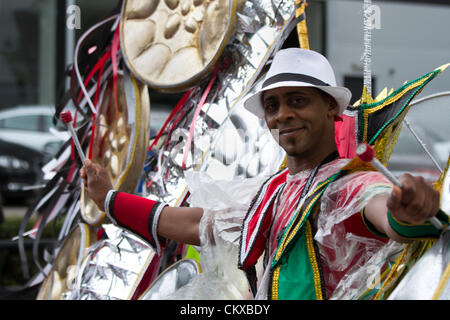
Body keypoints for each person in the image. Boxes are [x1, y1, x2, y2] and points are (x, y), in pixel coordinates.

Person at [81, 48, 446, 300]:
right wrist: (109, 200)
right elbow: (199, 224)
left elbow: (381, 209)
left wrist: (408, 212)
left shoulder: (351, 184)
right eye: (273, 105)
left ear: (331, 107)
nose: (282, 114)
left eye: (297, 100)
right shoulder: (274, 191)